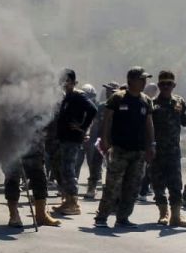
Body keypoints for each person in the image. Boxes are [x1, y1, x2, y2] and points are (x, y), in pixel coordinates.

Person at [94, 67, 155, 229]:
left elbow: (149, 125)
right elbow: (107, 120)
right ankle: (102, 217)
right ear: (131, 80)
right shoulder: (117, 98)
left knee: (133, 186)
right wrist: (105, 140)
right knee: (113, 185)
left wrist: (152, 145)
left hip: (139, 150)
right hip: (120, 149)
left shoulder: (146, 100)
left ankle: (123, 218)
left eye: (145, 79)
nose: (144, 82)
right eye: (141, 79)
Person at [149, 70, 186, 228]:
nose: (166, 86)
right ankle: (163, 213)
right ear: (159, 85)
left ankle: (176, 216)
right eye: (163, 84)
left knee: (176, 184)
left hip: (173, 151)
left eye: (169, 83)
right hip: (157, 151)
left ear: (174, 85)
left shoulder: (179, 101)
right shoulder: (152, 103)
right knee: (158, 184)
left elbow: (185, 122)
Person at [53, 69, 98, 216]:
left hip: (72, 139)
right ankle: (67, 200)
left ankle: (73, 203)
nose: (64, 84)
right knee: (64, 169)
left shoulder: (78, 95)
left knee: (69, 170)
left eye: (67, 81)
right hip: (65, 138)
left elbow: (92, 109)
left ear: (73, 82)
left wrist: (82, 127)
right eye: (62, 81)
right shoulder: (68, 97)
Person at [4, 127, 60, 228]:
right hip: (14, 145)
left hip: (35, 145)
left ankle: (41, 215)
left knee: (40, 179)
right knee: (12, 179)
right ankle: (14, 215)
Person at [84, 82, 117, 199]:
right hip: (100, 140)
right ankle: (91, 188)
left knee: (113, 167)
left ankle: (111, 191)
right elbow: (93, 123)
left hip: (114, 142)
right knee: (95, 164)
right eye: (107, 90)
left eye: (111, 91)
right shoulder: (101, 106)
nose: (108, 93)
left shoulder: (120, 107)